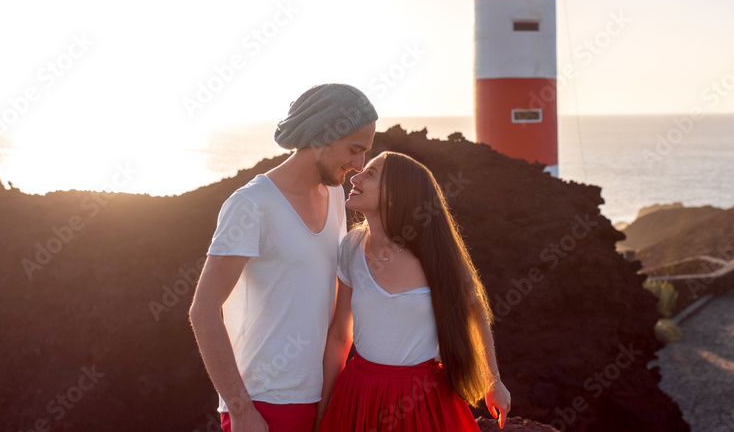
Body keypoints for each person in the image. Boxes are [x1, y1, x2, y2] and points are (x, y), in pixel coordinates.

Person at [190, 84, 378, 432]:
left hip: (316, 396)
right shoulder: (251, 204)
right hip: (264, 403)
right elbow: (203, 311)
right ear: (323, 136)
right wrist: (242, 411)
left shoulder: (336, 195)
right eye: (354, 149)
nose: (358, 165)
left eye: (365, 152)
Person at [316, 151, 511, 432]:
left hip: (423, 398)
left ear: (395, 196)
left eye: (370, 174)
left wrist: (493, 382)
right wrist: (324, 412)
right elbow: (339, 336)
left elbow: (475, 312)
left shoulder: (437, 254)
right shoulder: (351, 246)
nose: (355, 177)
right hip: (360, 392)